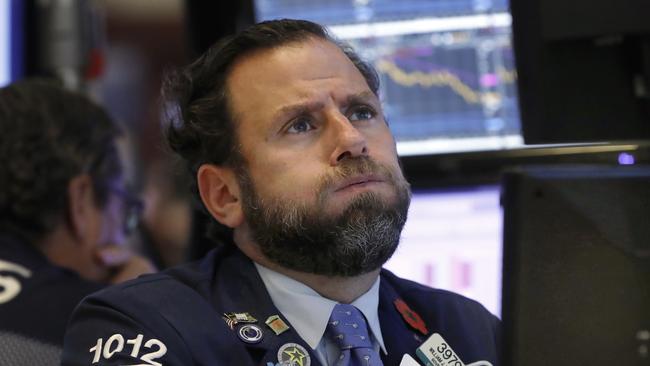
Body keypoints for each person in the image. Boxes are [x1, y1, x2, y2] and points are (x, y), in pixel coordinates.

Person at [61, 19, 500, 366]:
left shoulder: (471, 331)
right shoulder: (145, 330)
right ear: (224, 195)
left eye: (362, 112)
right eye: (301, 125)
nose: (352, 140)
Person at [0, 79, 155, 365]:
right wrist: (140, 310)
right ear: (80, 202)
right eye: (126, 214)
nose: (125, 242)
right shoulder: (98, 333)